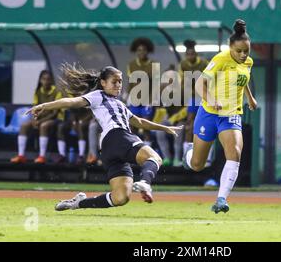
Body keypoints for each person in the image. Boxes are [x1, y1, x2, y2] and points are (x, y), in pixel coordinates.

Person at [26, 64, 183, 210]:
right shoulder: (97, 96)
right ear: (103, 83)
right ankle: (145, 183)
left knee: (120, 198)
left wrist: (164, 128)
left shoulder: (120, 104)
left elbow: (139, 121)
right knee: (155, 158)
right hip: (118, 136)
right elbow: (72, 101)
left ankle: (79, 203)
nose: (118, 85)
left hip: (109, 149)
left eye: (120, 81)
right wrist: (44, 105)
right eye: (114, 81)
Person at [182, 19, 258, 213]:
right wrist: (211, 99)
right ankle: (188, 155)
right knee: (198, 164)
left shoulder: (248, 62)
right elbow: (200, 85)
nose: (243, 55)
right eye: (239, 51)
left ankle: (221, 199)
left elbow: (243, 79)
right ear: (230, 47)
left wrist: (250, 98)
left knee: (234, 152)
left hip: (231, 114)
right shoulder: (220, 59)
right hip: (209, 113)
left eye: (246, 51)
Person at [10, 70, 64, 164]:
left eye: (48, 79)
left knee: (43, 126)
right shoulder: (37, 91)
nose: (46, 81)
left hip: (55, 119)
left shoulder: (57, 92)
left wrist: (40, 121)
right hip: (41, 119)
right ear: (40, 80)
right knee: (24, 125)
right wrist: (34, 120)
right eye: (43, 79)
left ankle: (42, 156)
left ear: (51, 81)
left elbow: (55, 113)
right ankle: (21, 155)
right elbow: (34, 109)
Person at [178, 39, 209, 157]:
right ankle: (186, 155)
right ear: (186, 55)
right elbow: (181, 82)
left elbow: (210, 79)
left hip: (204, 96)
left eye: (192, 53)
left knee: (203, 125)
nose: (190, 56)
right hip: (193, 96)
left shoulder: (204, 63)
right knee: (189, 126)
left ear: (196, 54)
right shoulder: (183, 64)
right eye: (188, 54)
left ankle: (205, 156)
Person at [126, 37, 157, 146]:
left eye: (144, 50)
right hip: (134, 100)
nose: (141, 52)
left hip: (147, 100)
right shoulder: (131, 64)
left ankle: (148, 153)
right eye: (139, 50)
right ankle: (134, 151)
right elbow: (130, 83)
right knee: (133, 127)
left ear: (148, 51)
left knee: (145, 126)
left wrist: (152, 100)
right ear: (136, 52)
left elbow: (156, 84)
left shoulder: (154, 64)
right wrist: (127, 97)